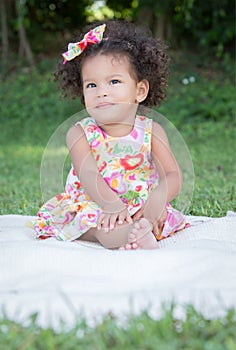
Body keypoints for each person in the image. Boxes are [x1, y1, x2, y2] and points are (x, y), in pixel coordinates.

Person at [33, 20, 188, 249]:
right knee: (104, 229)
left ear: (140, 90)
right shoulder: (79, 133)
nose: (102, 92)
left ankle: (142, 229)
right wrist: (112, 205)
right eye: (91, 85)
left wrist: (157, 200)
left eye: (114, 81)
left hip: (140, 202)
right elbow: (88, 173)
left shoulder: (152, 131)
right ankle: (129, 237)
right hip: (95, 202)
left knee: (155, 218)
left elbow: (173, 174)